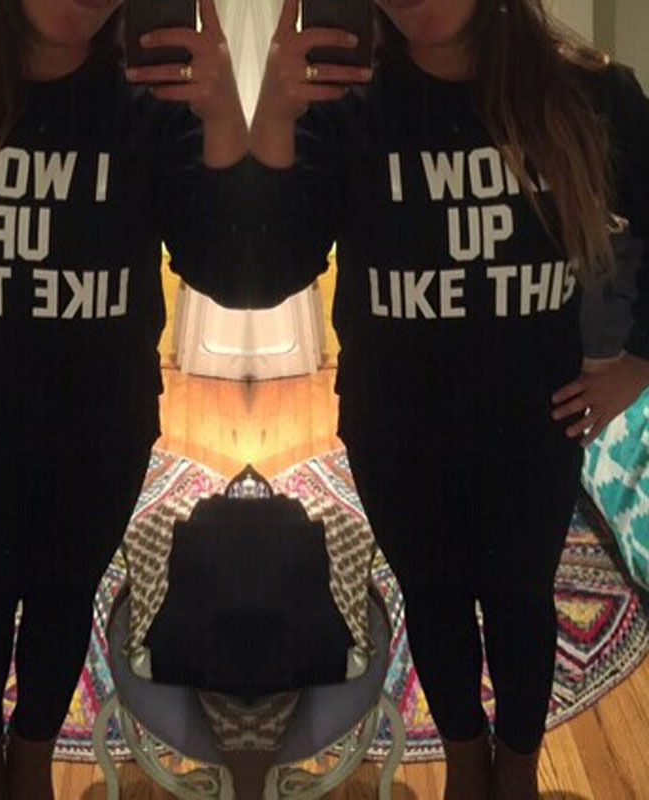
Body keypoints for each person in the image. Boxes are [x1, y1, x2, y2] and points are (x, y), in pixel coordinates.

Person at [247, 0, 649, 797]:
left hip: (533, 426)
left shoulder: (592, 93)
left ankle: (519, 768)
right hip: (395, 428)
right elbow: (267, 272)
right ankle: (466, 760)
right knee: (432, 602)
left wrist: (639, 360)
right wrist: (273, 125)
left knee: (521, 601)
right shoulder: (343, 102)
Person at [0, 0, 249, 797]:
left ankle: (31, 761)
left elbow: (231, 272)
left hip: (102, 427)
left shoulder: (154, 103)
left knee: (65, 601)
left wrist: (224, 124)